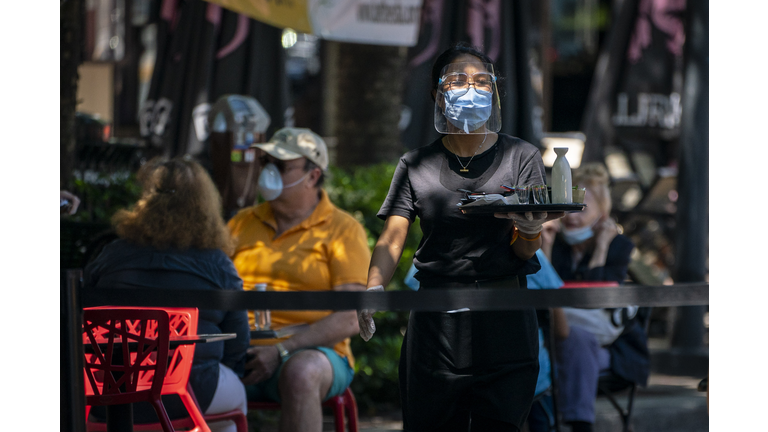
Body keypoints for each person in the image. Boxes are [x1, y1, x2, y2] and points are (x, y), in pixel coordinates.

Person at [358, 44, 565, 432]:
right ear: (438, 94)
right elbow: (393, 235)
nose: (471, 89)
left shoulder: (521, 156)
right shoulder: (416, 164)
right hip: (437, 315)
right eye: (457, 81)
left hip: (504, 311)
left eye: (482, 81)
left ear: (494, 93)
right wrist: (373, 289)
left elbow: (523, 250)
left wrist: (531, 230)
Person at [83, 157, 251, 432]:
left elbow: (82, 317)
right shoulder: (219, 265)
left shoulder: (111, 255)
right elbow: (237, 345)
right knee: (234, 399)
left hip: (109, 396)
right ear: (207, 205)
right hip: (190, 394)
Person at [227, 127, 371, 432]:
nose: (268, 171)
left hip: (315, 355)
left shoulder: (343, 230)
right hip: (240, 353)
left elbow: (350, 318)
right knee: (189, 369)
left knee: (301, 372)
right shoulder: (241, 223)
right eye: (265, 162)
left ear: (313, 176)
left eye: (280, 165)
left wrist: (281, 351)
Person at [540, 162, 649, 432]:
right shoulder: (558, 243)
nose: (572, 215)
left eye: (582, 207)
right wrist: (546, 247)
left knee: (576, 339)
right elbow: (544, 291)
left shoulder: (619, 246)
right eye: (569, 206)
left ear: (603, 211)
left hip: (611, 348)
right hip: (556, 340)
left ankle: (578, 426)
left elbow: (597, 297)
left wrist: (601, 247)